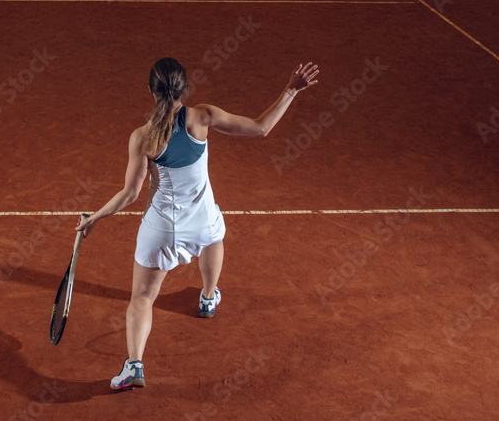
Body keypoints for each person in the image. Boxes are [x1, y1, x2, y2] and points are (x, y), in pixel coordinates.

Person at [75, 57, 319, 391]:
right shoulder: (202, 115)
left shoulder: (142, 137)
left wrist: (96, 217)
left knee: (143, 298)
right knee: (214, 235)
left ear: (150, 90)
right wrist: (291, 90)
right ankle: (207, 297)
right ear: (184, 88)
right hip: (201, 220)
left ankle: (134, 365)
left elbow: (130, 194)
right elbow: (262, 127)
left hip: (160, 230)